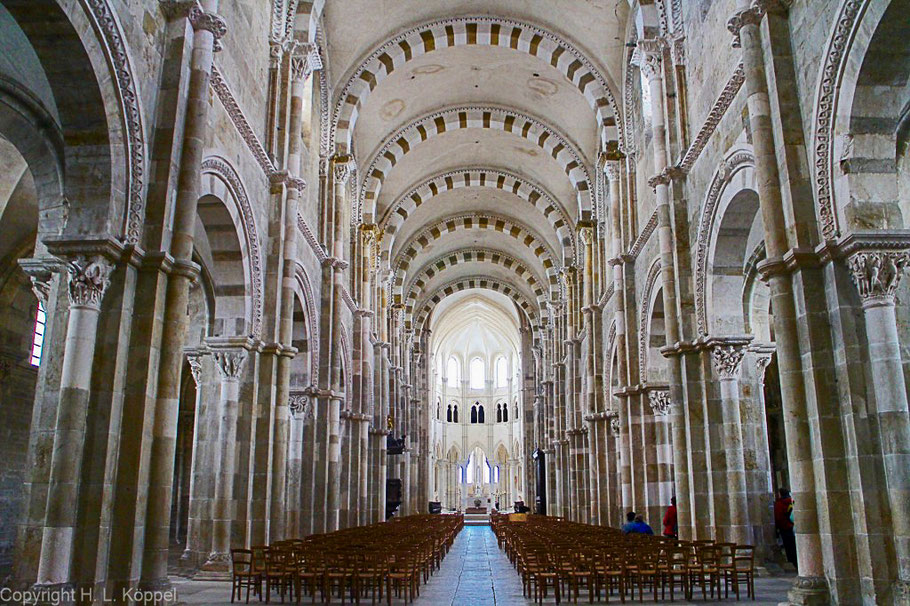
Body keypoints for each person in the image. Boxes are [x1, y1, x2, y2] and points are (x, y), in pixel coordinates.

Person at [774, 488, 797, 566]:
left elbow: (778, 517)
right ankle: (796, 561)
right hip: (792, 525)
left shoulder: (780, 503)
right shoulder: (791, 500)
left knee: (788, 546)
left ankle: (792, 561)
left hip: (784, 526)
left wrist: (777, 528)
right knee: (794, 544)